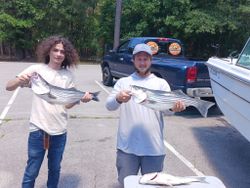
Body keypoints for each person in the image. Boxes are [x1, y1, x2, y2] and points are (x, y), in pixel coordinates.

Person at [6, 35, 93, 188]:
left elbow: (66, 105)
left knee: (54, 169)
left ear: (66, 55)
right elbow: (9, 86)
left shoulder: (68, 76)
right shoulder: (36, 71)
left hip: (60, 131)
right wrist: (20, 80)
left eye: (62, 52)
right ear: (48, 51)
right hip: (38, 130)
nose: (59, 54)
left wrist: (79, 99)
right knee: (31, 171)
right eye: (55, 50)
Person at [105, 43, 186, 185]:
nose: (142, 62)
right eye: (139, 59)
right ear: (133, 60)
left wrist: (174, 108)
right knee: (125, 184)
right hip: (127, 148)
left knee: (152, 186)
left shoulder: (161, 83)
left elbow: (168, 112)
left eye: (145, 59)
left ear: (150, 60)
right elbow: (109, 106)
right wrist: (118, 98)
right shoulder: (124, 82)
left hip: (153, 148)